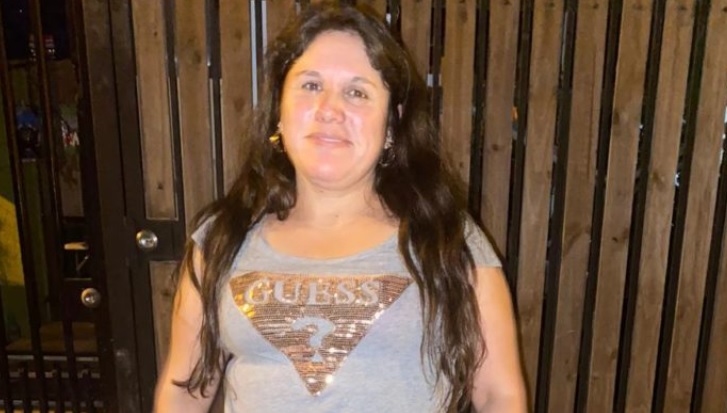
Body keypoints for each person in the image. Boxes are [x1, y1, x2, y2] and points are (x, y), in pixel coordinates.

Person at [154, 2, 527, 412]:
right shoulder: (222, 238)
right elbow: (184, 391)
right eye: (311, 85)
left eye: (357, 92)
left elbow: (498, 395)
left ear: (391, 123)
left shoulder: (448, 239)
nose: (330, 110)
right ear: (280, 110)